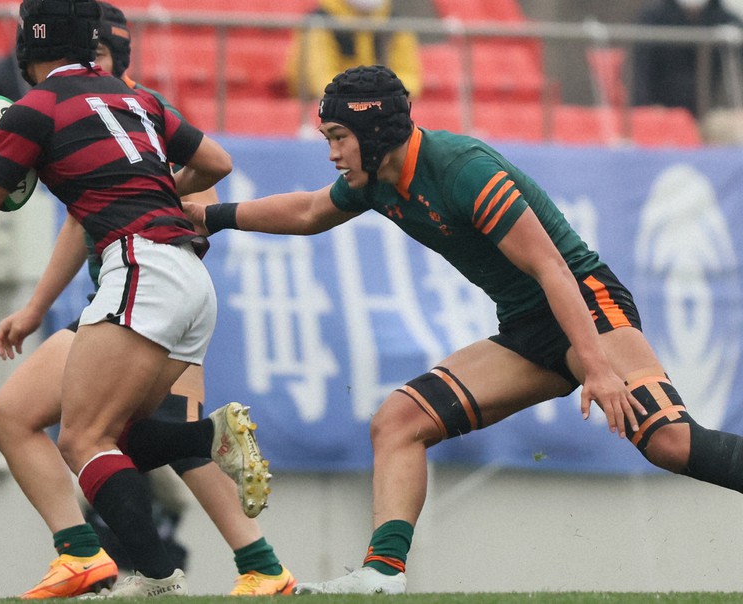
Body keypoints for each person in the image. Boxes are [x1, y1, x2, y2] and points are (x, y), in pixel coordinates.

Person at [183, 64, 743, 594]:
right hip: (528, 326)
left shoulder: (460, 167)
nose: (331, 153)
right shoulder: (376, 177)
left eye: (338, 136)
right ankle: (382, 574)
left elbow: (552, 266)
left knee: (669, 442)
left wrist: (596, 364)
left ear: (375, 131)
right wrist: (210, 217)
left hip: (588, 308)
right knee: (398, 421)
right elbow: (307, 212)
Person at [0, 0, 273, 597]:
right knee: (104, 431)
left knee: (80, 438)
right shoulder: (140, 100)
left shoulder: (35, 109)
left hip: (138, 273)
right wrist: (154, 195)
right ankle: (200, 471)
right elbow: (216, 163)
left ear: (28, 46)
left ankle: (120, 565)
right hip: (188, 277)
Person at [285, 0, 421, 100]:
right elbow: (317, 81)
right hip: (333, 109)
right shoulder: (319, 22)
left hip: (381, 107)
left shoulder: (395, 23)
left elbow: (409, 77)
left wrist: (382, 93)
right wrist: (361, 95)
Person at [631, 0, 743, 117]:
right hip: (662, 111)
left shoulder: (728, 22)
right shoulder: (652, 17)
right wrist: (644, 108)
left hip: (711, 113)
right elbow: (639, 72)